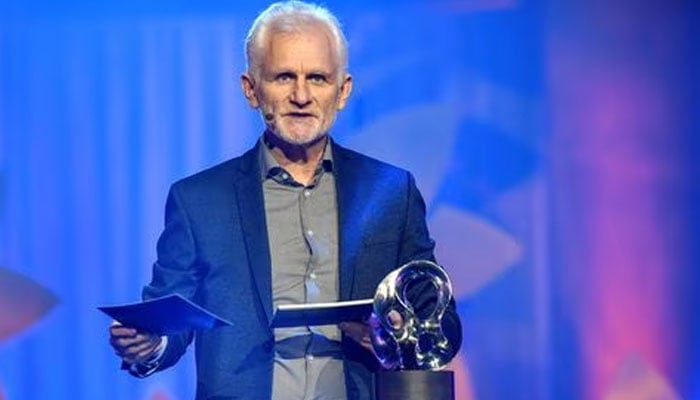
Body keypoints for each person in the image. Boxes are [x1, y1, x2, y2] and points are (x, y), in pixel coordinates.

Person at [109, 1, 462, 399]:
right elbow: (169, 319)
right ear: (251, 89)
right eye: (283, 77)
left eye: (317, 78)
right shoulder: (199, 201)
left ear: (342, 91)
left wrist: (396, 333)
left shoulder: (390, 190)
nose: (301, 95)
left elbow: (438, 316)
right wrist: (150, 344)